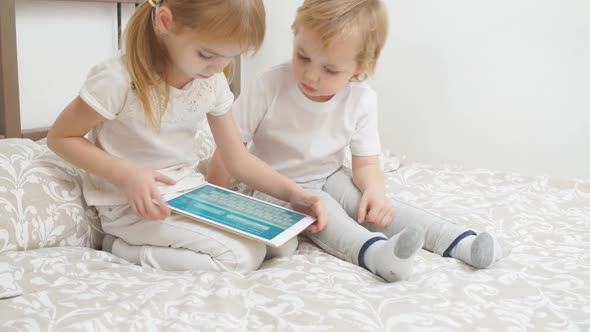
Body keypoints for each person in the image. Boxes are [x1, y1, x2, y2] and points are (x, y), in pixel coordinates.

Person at [208, 0, 507, 282]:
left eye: (330, 69)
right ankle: (378, 256)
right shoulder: (268, 85)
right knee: (324, 209)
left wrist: (375, 191)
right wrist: (214, 200)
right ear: (295, 35)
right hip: (272, 186)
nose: (311, 74)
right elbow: (229, 149)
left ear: (360, 68)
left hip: (328, 176)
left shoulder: (362, 100)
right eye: (303, 56)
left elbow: (365, 165)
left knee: (372, 206)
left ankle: (462, 241)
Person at [47, 0, 326, 273]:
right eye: (207, 54)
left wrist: (294, 193)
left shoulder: (211, 81)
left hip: (190, 193)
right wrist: (126, 173)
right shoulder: (119, 79)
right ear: (166, 22)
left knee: (284, 244)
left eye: (230, 56)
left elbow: (237, 158)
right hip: (133, 205)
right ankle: (121, 248)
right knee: (242, 258)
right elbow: (61, 137)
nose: (219, 67)